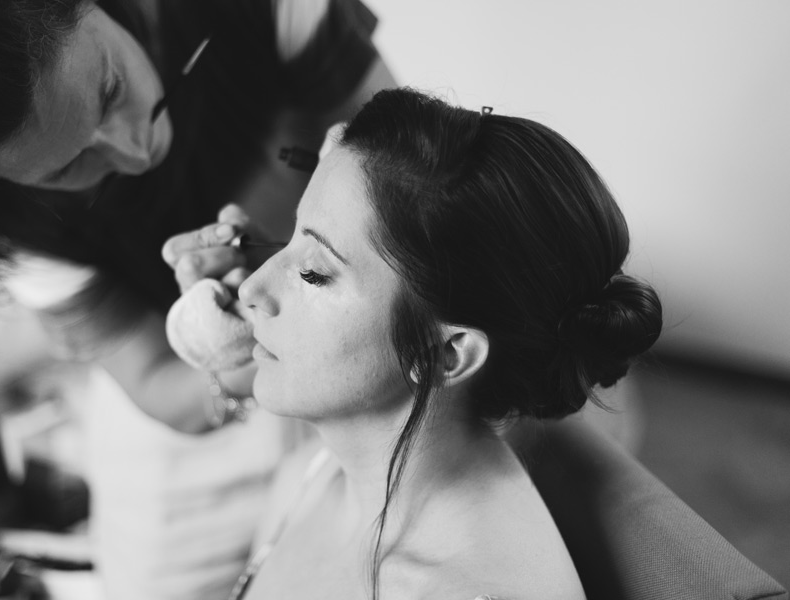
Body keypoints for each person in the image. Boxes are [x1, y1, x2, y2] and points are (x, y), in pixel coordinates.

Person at [0, 0, 394, 598]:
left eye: (108, 89)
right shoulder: (2, 217)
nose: (136, 151)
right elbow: (157, 375)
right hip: (189, 406)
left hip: (374, 345)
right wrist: (230, 358)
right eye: (69, 166)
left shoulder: (266, 10)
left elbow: (401, 181)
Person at [195, 87, 661, 599]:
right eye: (289, 238)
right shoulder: (310, 475)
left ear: (445, 353)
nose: (251, 288)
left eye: (312, 272)